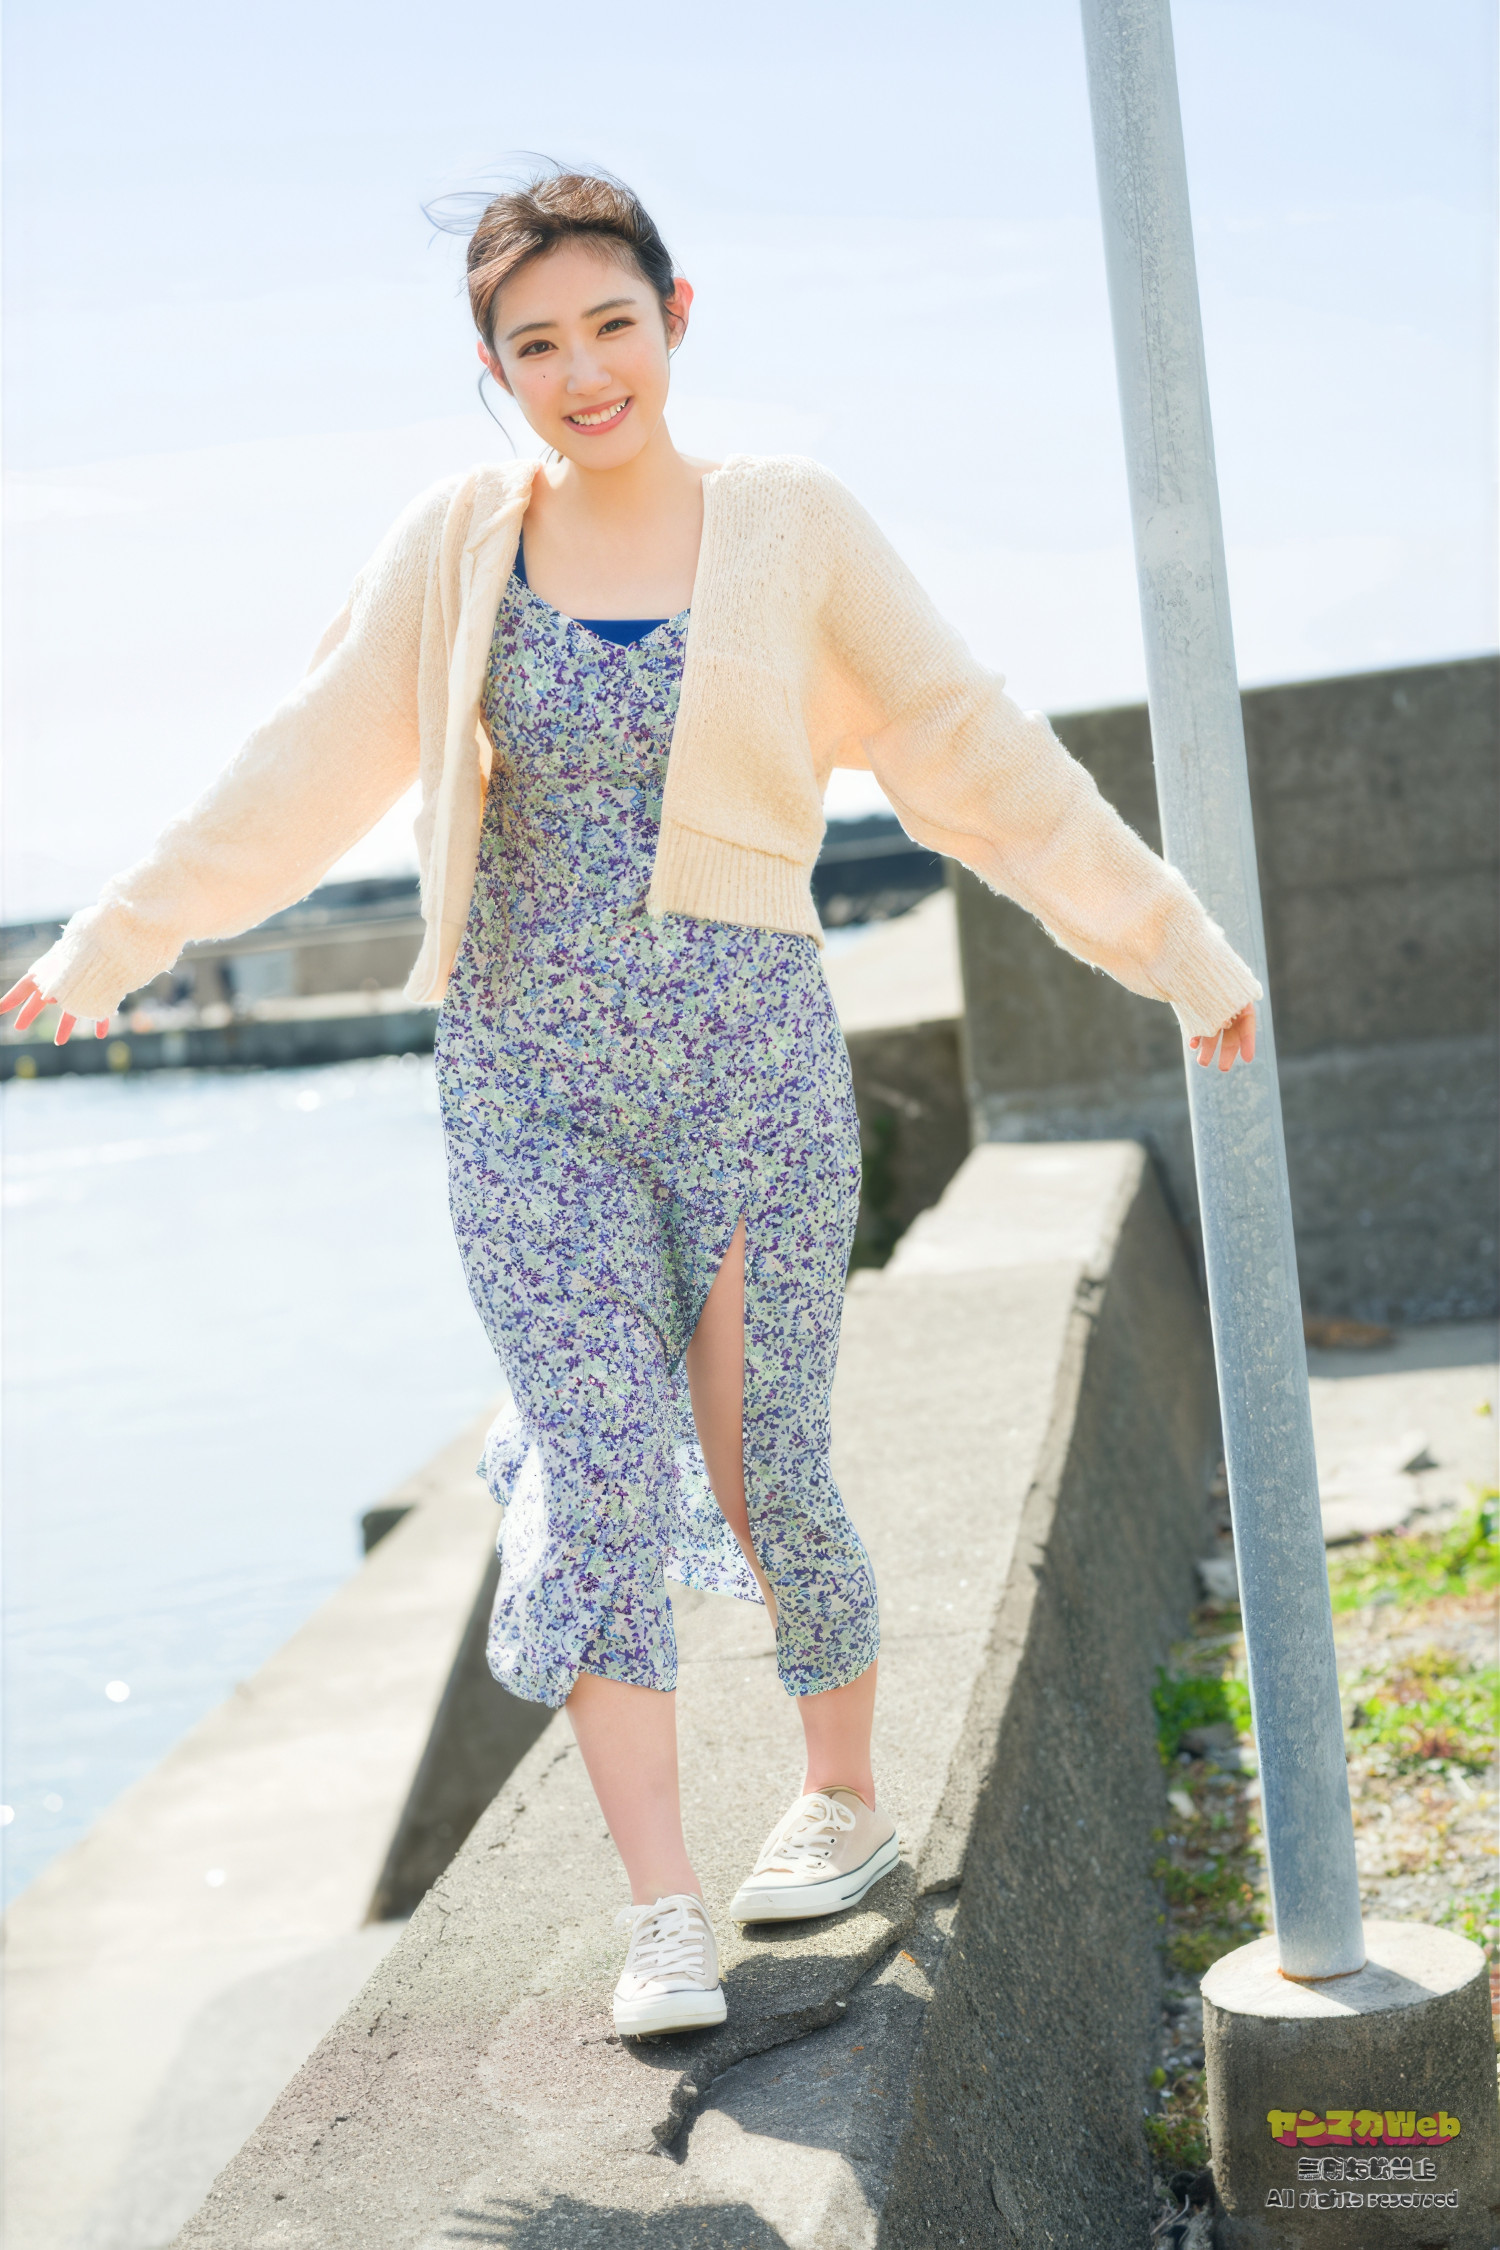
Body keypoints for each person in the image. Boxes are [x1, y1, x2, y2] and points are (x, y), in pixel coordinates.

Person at [2, 169, 1260, 2039]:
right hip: (527, 1087)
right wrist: (116, 938)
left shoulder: (791, 526)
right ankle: (661, 1907)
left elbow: (974, 750)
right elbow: (306, 761)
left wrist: (1173, 946)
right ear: (494, 370)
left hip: (748, 1074)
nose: (583, 372)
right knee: (594, 1472)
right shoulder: (459, 545)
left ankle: (839, 1793)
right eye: (536, 346)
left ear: (679, 315)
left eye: (610, 324)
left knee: (768, 1474)